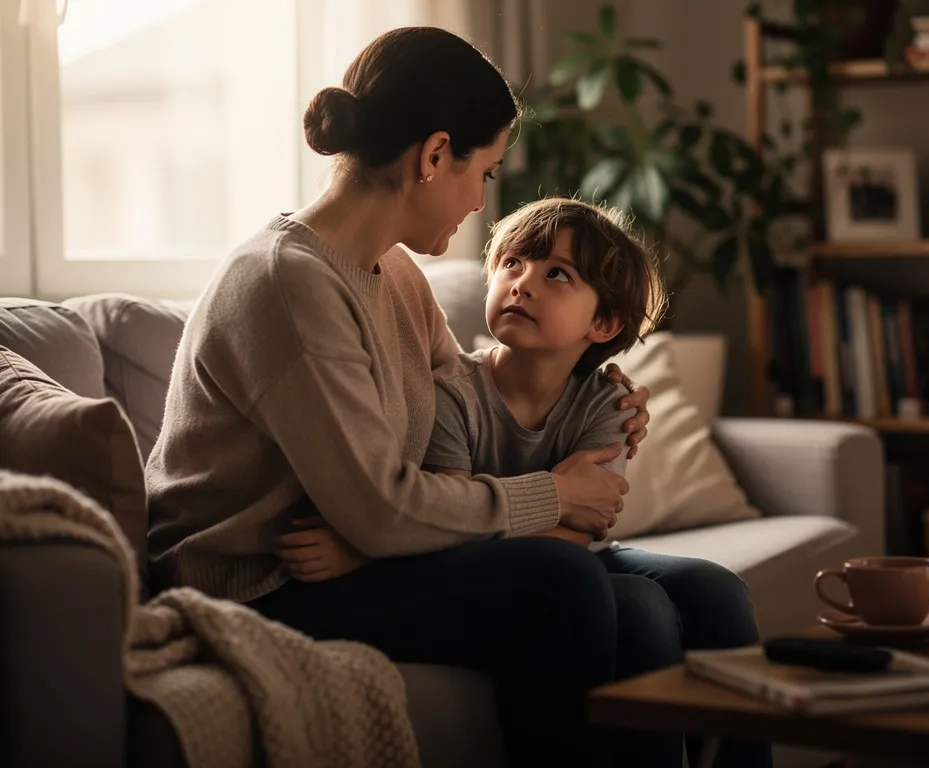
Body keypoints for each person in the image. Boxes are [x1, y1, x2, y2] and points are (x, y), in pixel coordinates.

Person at [146, 26, 653, 768]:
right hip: (264, 585)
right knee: (564, 583)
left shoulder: (394, 274)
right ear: (435, 155)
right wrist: (554, 495)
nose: (482, 201)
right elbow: (381, 508)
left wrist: (590, 380)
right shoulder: (289, 284)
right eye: (484, 172)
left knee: (673, 599)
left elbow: (469, 392)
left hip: (358, 558)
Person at [282, 198, 770, 768]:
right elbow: (449, 533)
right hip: (507, 572)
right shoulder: (452, 395)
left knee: (717, 590)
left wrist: (537, 522)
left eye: (556, 274)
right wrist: (554, 501)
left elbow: (579, 535)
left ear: (604, 324)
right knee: (641, 607)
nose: (523, 283)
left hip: (558, 561)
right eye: (512, 264)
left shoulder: (608, 402)